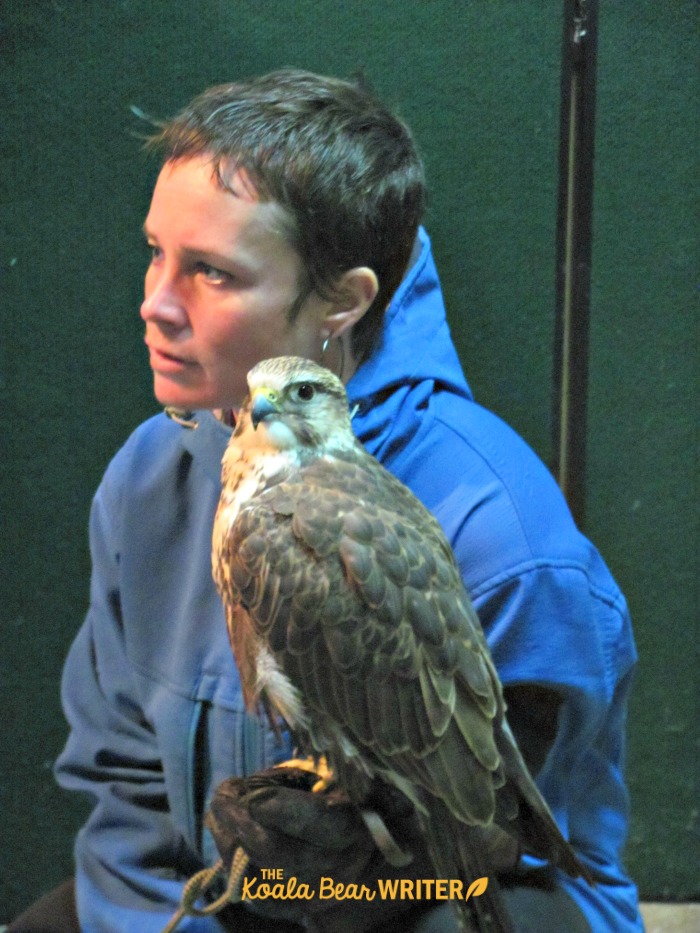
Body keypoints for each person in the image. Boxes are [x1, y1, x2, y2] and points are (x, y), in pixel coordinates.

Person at [10, 70, 642, 932]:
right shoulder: (152, 470)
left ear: (342, 301)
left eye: (213, 273)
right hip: (233, 904)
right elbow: (126, 797)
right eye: (156, 251)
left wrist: (369, 894)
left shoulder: (502, 536)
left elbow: (535, 868)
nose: (155, 303)